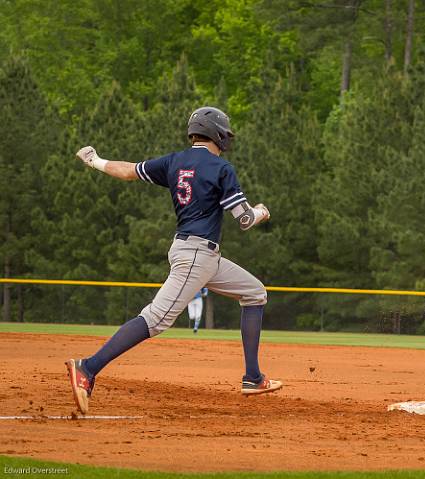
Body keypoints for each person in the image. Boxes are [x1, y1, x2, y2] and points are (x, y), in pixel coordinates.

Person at [65, 106, 283, 415]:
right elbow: (245, 220)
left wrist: (95, 160)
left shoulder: (174, 161)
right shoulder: (222, 168)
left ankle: (253, 377)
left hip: (200, 254)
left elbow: (128, 171)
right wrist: (261, 210)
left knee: (255, 293)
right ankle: (87, 367)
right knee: (156, 319)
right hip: (196, 255)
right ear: (217, 134)